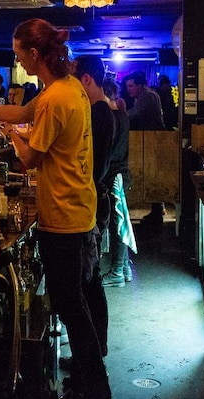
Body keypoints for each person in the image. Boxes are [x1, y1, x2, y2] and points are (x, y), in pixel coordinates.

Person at [0, 18, 111, 399]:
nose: (18, 60)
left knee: (70, 304)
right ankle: (92, 382)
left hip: (63, 213)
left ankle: (96, 386)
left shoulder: (56, 98)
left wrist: (12, 140)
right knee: (74, 301)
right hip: (78, 206)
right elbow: (22, 114)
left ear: (34, 54)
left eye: (19, 53)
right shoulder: (67, 87)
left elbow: (31, 160)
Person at [71, 55, 114, 360]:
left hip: (93, 201)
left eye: (75, 79)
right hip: (96, 199)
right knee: (90, 278)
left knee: (88, 280)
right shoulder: (102, 111)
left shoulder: (98, 113)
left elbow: (93, 168)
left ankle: (93, 354)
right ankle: (96, 350)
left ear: (86, 80)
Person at [100, 77, 136, 287]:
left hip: (114, 175)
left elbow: (110, 153)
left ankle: (116, 272)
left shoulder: (112, 117)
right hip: (121, 174)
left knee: (117, 223)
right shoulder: (122, 115)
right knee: (120, 222)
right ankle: (123, 268)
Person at [124, 71, 166, 223]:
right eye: (127, 86)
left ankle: (157, 210)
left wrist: (118, 117)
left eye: (131, 86)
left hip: (154, 139)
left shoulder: (146, 97)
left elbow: (135, 114)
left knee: (153, 174)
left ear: (140, 85)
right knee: (153, 174)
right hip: (152, 139)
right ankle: (158, 208)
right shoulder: (145, 96)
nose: (129, 89)